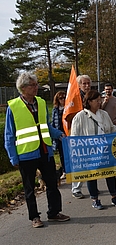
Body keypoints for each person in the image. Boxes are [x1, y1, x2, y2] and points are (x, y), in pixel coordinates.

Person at [4, 72, 70, 228]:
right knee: (29, 189)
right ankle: (34, 217)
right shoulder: (13, 107)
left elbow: (45, 126)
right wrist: (13, 157)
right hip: (26, 155)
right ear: (23, 88)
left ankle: (54, 212)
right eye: (33, 85)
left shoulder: (40, 102)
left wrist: (60, 134)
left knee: (52, 184)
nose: (36, 87)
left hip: (45, 152)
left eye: (36, 84)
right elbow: (9, 135)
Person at [71, 90, 116, 209]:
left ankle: (114, 196)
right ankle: (95, 199)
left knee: (110, 173)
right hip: (90, 152)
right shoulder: (80, 117)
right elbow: (74, 137)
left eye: (100, 100)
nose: (100, 102)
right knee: (92, 175)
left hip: (105, 150)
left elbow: (112, 129)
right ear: (89, 101)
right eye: (97, 100)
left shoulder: (103, 114)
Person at [71, 74, 92, 199]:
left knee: (92, 162)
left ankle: (92, 185)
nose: (87, 86)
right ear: (79, 85)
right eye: (84, 83)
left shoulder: (92, 95)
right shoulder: (75, 98)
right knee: (80, 162)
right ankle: (76, 188)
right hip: (79, 131)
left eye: (88, 83)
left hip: (90, 131)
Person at [51, 90, 66, 179]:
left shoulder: (68, 108)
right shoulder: (55, 110)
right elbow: (53, 122)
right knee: (61, 154)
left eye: (64, 97)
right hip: (59, 135)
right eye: (61, 98)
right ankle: (64, 170)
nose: (63, 100)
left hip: (67, 133)